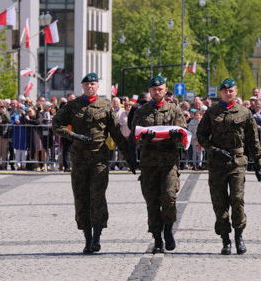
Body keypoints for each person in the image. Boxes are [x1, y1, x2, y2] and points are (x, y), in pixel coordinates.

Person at [52, 72, 135, 254]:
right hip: (79, 159)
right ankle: (87, 239)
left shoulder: (105, 106)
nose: (90, 86)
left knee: (98, 196)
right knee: (81, 198)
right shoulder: (73, 106)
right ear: (82, 86)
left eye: (93, 84)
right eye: (87, 84)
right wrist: (72, 135)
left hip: (99, 158)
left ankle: (97, 238)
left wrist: (130, 157)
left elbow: (116, 133)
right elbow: (56, 124)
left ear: (98, 86)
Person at [196, 78, 261, 256]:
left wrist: (259, 165)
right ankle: (225, 239)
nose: (228, 93)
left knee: (237, 200)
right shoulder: (212, 112)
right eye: (225, 91)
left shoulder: (245, 112)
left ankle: (239, 236)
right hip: (217, 163)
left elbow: (253, 140)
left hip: (237, 162)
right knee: (220, 203)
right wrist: (213, 150)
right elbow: (201, 135)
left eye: (231, 90)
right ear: (221, 93)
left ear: (235, 92)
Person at [130, 75, 187, 254]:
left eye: (160, 88)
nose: (157, 91)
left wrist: (172, 135)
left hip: (169, 162)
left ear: (165, 89)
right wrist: (143, 138)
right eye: (154, 89)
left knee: (169, 197)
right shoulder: (141, 111)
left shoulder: (174, 110)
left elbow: (183, 133)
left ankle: (168, 230)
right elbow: (134, 135)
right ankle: (157, 238)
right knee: (152, 202)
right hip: (149, 164)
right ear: (150, 91)